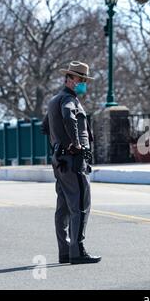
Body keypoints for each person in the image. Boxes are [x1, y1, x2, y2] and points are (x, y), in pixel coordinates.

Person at [41, 61, 101, 264]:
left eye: (85, 80)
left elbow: (44, 126)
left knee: (64, 207)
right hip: (73, 160)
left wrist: (58, 144)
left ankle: (65, 251)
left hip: (60, 159)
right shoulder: (68, 100)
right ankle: (78, 250)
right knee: (81, 205)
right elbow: (69, 117)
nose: (84, 83)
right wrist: (75, 143)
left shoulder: (54, 100)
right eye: (81, 79)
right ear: (70, 79)